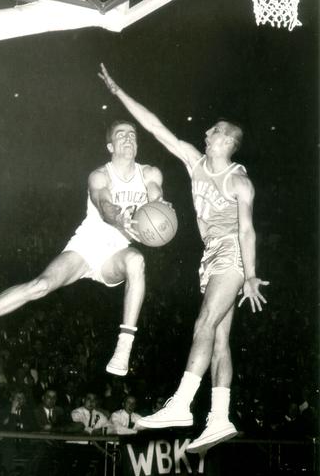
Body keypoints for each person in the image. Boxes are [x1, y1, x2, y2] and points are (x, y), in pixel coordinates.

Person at [99, 64, 269, 453]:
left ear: (226, 142)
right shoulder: (195, 161)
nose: (205, 133)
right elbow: (158, 128)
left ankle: (181, 404)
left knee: (204, 323)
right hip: (210, 257)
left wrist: (252, 274)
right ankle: (220, 418)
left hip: (232, 254)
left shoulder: (239, 182)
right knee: (220, 339)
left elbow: (246, 230)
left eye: (213, 131)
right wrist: (119, 93)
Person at [0, 120, 168, 377]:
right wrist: (119, 218)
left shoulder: (150, 173)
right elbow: (105, 205)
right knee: (40, 286)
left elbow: (156, 199)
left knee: (136, 261)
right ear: (110, 146)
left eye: (132, 134)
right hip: (88, 245)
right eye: (121, 135)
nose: (128, 138)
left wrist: (159, 212)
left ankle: (124, 348)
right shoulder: (100, 175)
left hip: (116, 253)